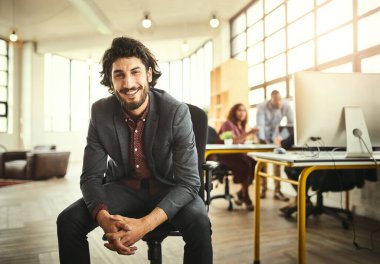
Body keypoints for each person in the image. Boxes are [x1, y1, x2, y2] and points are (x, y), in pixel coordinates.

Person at [56, 37, 212, 264]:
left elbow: (189, 182)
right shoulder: (100, 112)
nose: (128, 83)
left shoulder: (176, 112)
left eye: (135, 72)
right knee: (68, 221)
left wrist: (144, 225)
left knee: (199, 221)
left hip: (169, 188)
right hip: (123, 187)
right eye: (119, 74)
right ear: (110, 80)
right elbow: (91, 177)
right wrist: (103, 218)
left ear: (149, 74)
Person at [218, 103, 258, 211]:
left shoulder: (242, 126)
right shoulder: (227, 124)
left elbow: (241, 142)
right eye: (239, 110)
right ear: (234, 112)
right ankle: (246, 196)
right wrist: (249, 133)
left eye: (244, 110)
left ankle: (241, 193)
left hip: (238, 154)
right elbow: (234, 141)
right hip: (227, 156)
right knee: (245, 164)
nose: (242, 113)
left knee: (255, 163)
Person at [256, 90, 293, 201]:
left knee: (277, 162)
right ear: (271, 100)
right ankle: (264, 188)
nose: (278, 103)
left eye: (280, 100)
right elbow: (260, 125)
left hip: (277, 134)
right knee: (263, 163)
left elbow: (291, 123)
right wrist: (263, 140)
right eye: (276, 101)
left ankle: (277, 191)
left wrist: (282, 136)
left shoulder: (286, 105)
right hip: (263, 133)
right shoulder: (262, 107)